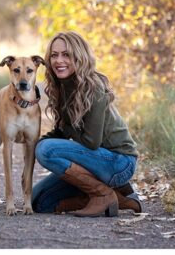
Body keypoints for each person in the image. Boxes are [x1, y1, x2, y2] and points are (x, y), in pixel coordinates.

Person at [31, 32, 142, 217]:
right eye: (54, 55)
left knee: (46, 151)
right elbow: (61, 133)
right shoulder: (61, 86)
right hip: (94, 162)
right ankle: (121, 199)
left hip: (119, 162)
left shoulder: (94, 86)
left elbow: (91, 142)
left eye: (66, 54)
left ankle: (103, 194)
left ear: (79, 56)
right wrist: (30, 142)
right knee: (39, 202)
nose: (59, 60)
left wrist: (43, 144)